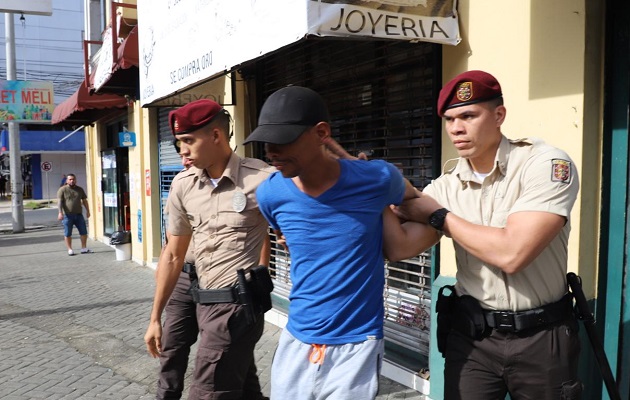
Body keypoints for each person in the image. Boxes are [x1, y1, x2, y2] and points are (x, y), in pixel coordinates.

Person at [393, 70, 582, 399]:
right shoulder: (445, 186)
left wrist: (439, 216)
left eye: (468, 115)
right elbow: (399, 247)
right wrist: (376, 186)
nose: (456, 128)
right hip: (474, 337)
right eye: (449, 119)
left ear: (499, 115)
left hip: (542, 337)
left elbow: (513, 254)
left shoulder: (544, 164)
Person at [243, 85, 434, 399]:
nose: (271, 151)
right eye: (266, 141)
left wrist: (411, 220)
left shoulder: (376, 179)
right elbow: (287, 237)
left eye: (283, 139)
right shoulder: (270, 194)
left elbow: (419, 206)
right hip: (297, 340)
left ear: (321, 133)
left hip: (356, 343)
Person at [144, 99, 274, 400]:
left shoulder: (261, 180)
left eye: (189, 141)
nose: (182, 150)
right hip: (200, 297)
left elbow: (297, 217)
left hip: (237, 307)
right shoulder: (183, 186)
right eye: (179, 142)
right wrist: (154, 318)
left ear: (216, 136)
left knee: (208, 389)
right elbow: (174, 255)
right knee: (242, 387)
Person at [155, 144, 198, 400]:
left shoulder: (239, 180)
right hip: (183, 276)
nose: (184, 161)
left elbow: (260, 238)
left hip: (220, 280)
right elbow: (170, 238)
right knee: (172, 347)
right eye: (180, 155)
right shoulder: (179, 183)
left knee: (226, 351)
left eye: (187, 154)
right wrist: (162, 270)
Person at [57, 173, 93, 256]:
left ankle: (84, 248)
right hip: (67, 215)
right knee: (68, 233)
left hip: (78, 215)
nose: (72, 181)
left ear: (75, 180)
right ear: (67, 181)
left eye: (73, 179)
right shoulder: (62, 190)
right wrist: (60, 212)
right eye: (70, 179)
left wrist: (88, 211)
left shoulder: (80, 189)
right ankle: (70, 249)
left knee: (83, 232)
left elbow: (84, 201)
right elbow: (59, 202)